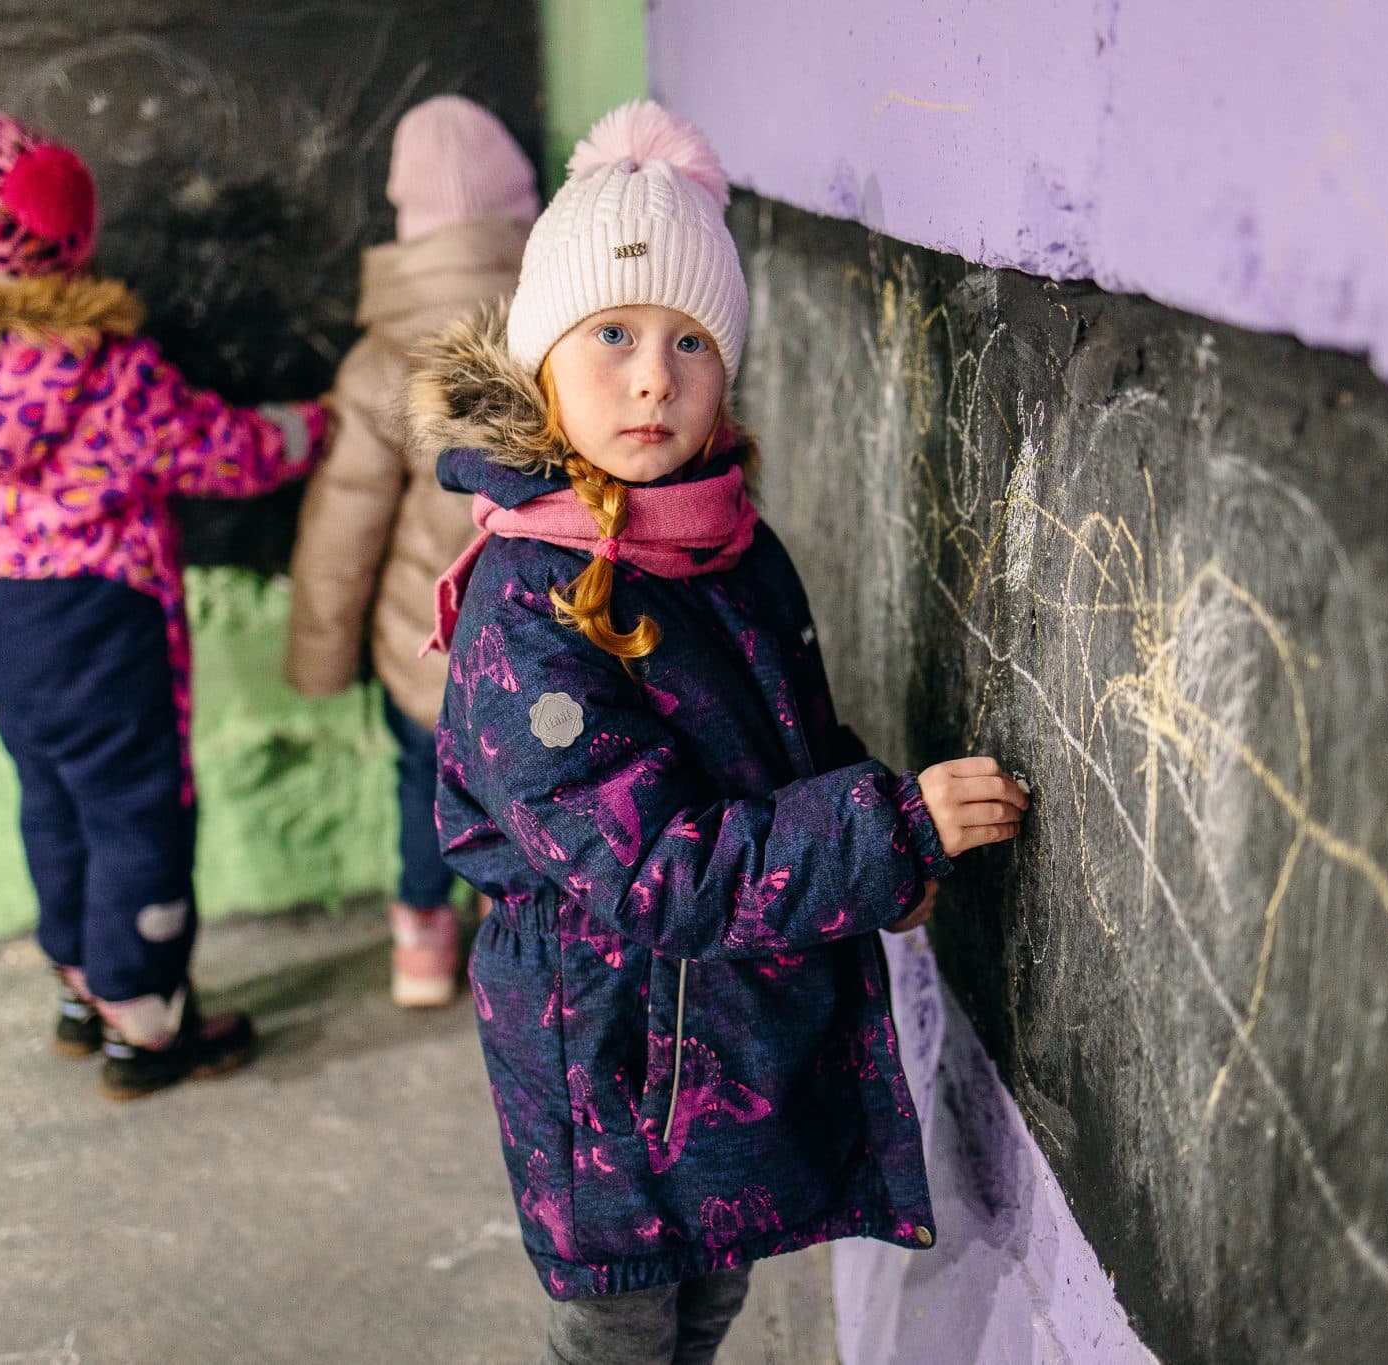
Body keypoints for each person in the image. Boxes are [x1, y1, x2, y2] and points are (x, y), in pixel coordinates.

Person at [410, 101, 1027, 1364]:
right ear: (539, 360)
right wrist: (887, 830)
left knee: (708, 1307)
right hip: (610, 1058)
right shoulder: (527, 613)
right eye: (613, 335)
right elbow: (649, 871)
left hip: (723, 1039)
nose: (653, 375)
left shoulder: (723, 540)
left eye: (691, 340)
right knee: (623, 1330)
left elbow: (782, 744)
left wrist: (876, 842)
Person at [0, 111, 333, 1099]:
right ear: (60, 221)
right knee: (137, 814)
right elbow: (217, 449)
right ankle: (147, 1017)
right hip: (99, 616)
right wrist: (307, 430)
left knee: (53, 793)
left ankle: (81, 978)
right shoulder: (103, 374)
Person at [284, 95, 537, 1007]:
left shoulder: (378, 360)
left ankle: (420, 941)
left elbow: (344, 526)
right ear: (527, 211)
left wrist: (320, 655)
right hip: (540, 646)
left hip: (418, 648)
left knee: (423, 788)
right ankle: (516, 938)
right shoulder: (566, 338)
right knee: (531, 792)